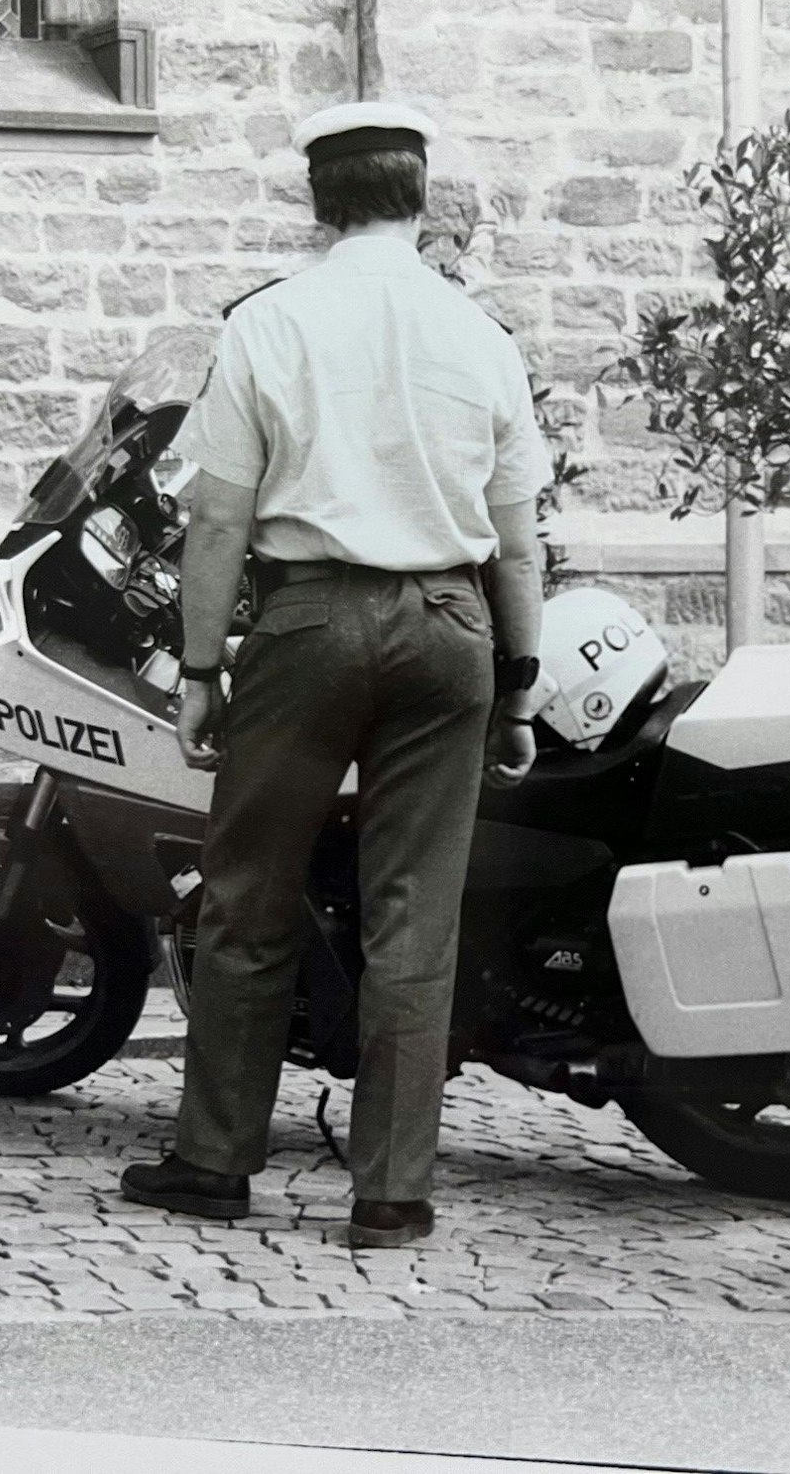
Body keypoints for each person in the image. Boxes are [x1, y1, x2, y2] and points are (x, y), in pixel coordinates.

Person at [119, 101, 551, 1249]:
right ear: (420, 199)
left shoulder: (269, 324)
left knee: (251, 893)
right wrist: (516, 683)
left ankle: (214, 1162)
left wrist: (201, 670)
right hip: (453, 626)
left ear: (318, 202)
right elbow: (517, 541)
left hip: (308, 626)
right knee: (416, 915)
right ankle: (392, 1192)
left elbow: (218, 522)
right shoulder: (480, 339)